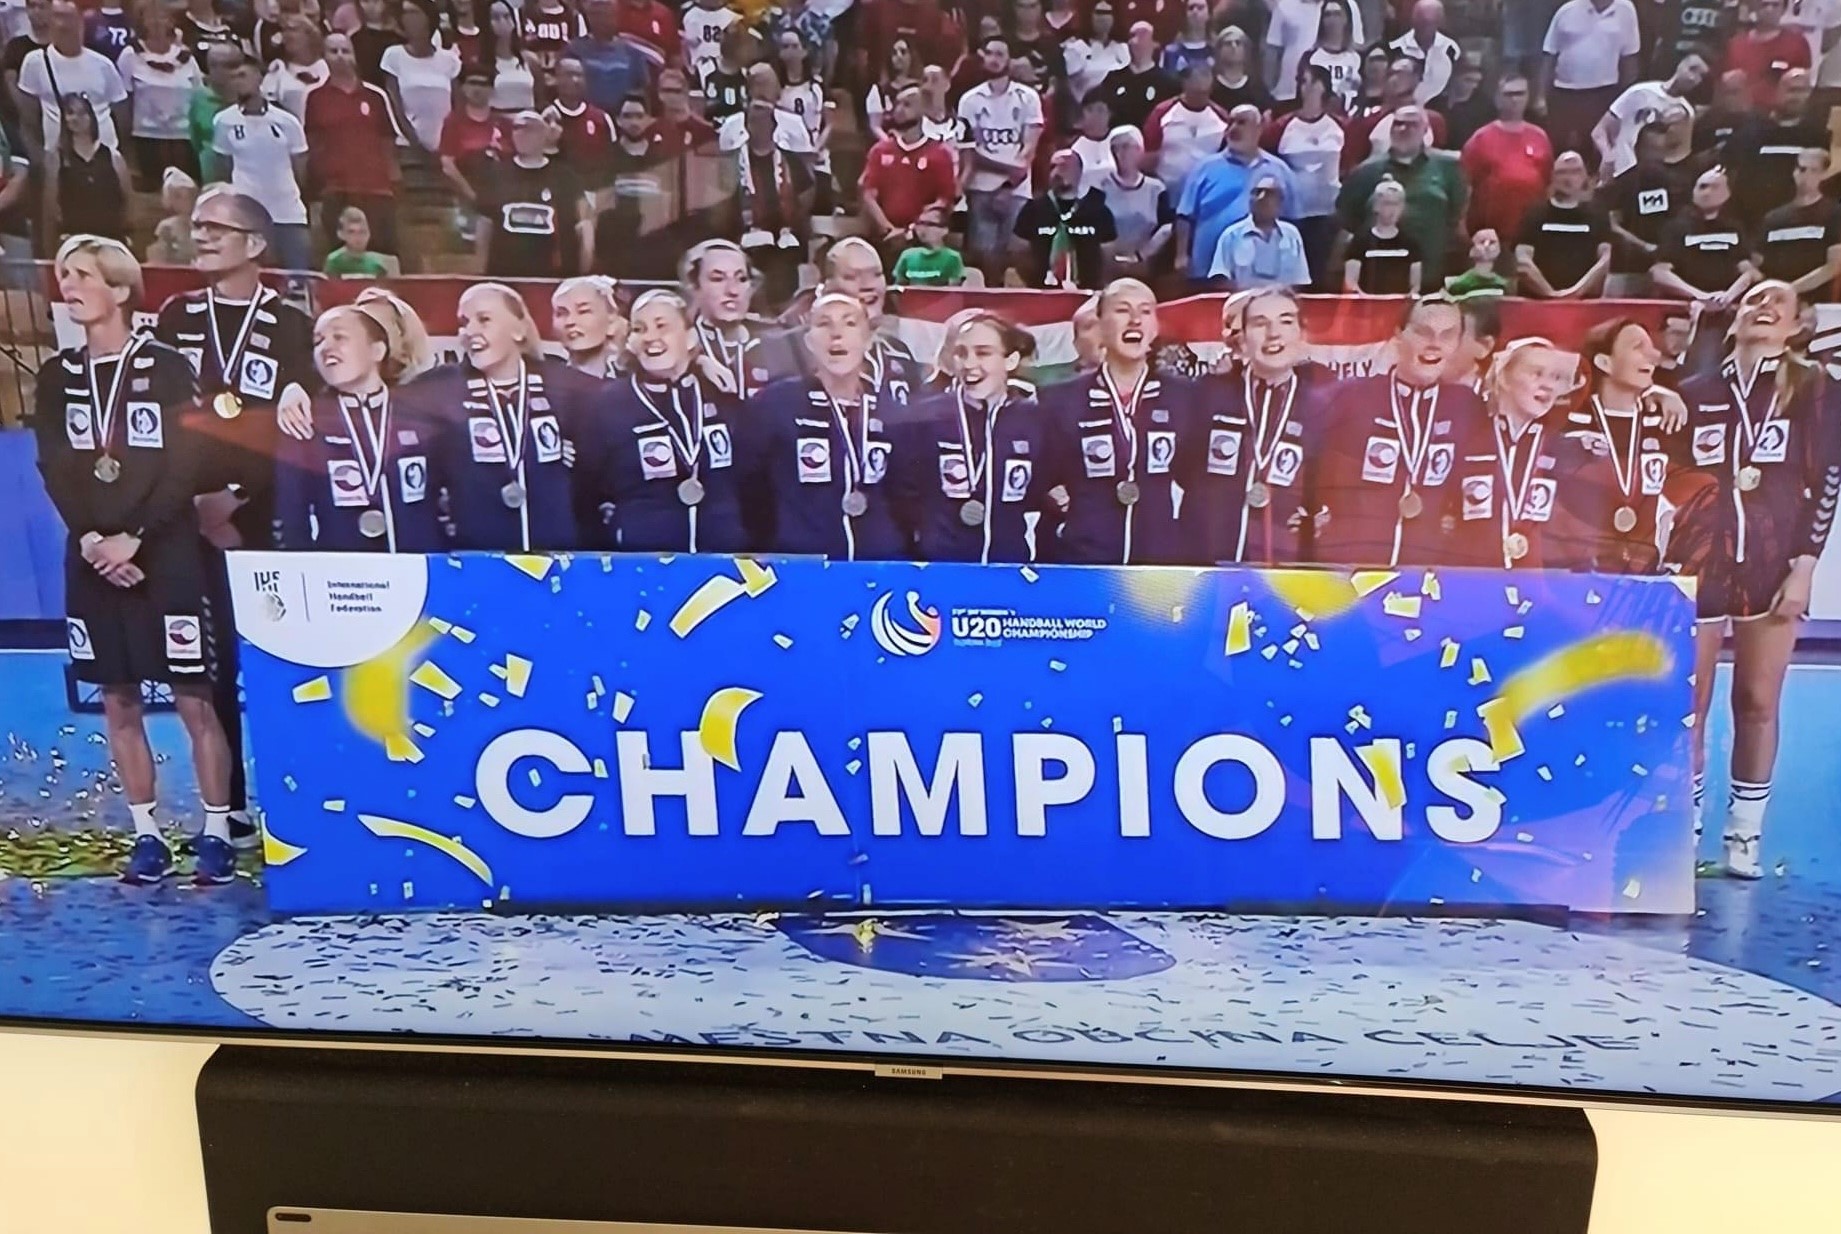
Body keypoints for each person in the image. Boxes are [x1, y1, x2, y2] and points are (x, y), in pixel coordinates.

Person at [34, 234, 234, 886]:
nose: (69, 286)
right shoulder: (57, 376)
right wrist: (94, 538)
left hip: (165, 553)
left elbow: (186, 464)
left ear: (120, 289)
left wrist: (136, 537)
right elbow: (54, 466)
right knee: (117, 699)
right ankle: (147, 834)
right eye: (64, 275)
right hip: (92, 557)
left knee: (193, 696)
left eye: (83, 275)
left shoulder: (167, 366)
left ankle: (215, 831)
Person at [155, 187, 315, 848]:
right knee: (210, 664)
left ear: (255, 244)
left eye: (215, 228)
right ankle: (232, 809)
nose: (200, 236)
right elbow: (160, 422)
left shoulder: (291, 323)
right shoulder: (175, 316)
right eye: (197, 226)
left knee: (278, 662)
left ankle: (300, 802)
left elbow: (300, 428)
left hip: (263, 516)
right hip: (191, 517)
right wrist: (192, 503)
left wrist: (239, 497)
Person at [1670, 280, 1841, 877]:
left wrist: (1805, 566)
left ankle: (1744, 835)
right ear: (1735, 319)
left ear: (1796, 327)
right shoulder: (1694, 391)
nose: (1762, 308)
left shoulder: (1817, 390)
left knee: (1757, 700)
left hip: (1773, 564)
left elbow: (1827, 481)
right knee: (1688, 705)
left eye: (1777, 303)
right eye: (1753, 301)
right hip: (1699, 564)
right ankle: (1683, 834)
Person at [1306, 296, 1494, 568]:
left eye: (1447, 335)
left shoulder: (1466, 407)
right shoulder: (1350, 397)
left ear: (1456, 344)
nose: (1434, 343)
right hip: (1349, 569)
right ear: (1398, 335)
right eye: (1423, 332)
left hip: (1427, 573)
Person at [1039, 277, 1200, 565]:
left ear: (1155, 328)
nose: (1135, 320)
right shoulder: (1058, 400)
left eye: (1145, 311)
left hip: (1161, 568)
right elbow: (1040, 480)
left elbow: (1199, 481)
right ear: (1100, 326)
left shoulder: (1186, 397)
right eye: (1123, 310)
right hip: (1083, 560)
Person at [738, 291, 907, 560]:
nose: (836, 334)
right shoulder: (776, 403)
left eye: (849, 323)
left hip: (878, 564)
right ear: (808, 341)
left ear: (868, 339)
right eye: (824, 324)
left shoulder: (891, 410)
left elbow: (905, 493)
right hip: (802, 562)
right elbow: (749, 486)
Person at [581, 288, 747, 554]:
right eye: (639, 329)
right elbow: (587, 485)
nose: (650, 337)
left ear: (690, 337)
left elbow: (749, 476)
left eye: (662, 326)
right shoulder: (608, 403)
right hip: (642, 560)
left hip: (722, 558)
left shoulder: (721, 392)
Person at [274, 298, 443, 554]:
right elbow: (292, 514)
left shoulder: (421, 414)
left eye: (339, 337)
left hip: (419, 568)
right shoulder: (305, 418)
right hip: (341, 573)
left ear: (377, 351)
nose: (326, 347)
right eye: (318, 341)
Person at [427, 282, 586, 552]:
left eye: (484, 320)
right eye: (464, 323)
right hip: (475, 556)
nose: (470, 331)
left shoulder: (565, 386)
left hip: (561, 557)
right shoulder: (439, 390)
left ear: (519, 330)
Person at [888, 312, 1051, 563]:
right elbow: (903, 494)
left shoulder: (1034, 420)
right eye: (961, 353)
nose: (969, 363)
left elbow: (1041, 493)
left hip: (1009, 568)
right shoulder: (924, 417)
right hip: (939, 568)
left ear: (1010, 360)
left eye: (983, 353)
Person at [1191, 286, 1323, 565]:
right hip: (1211, 567)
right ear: (1242, 339)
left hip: (1291, 569)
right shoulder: (1208, 395)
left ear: (1302, 333)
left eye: (1285, 322)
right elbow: (1182, 468)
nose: (1273, 334)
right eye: (1260, 323)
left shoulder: (1325, 404)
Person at [1557, 317, 1680, 574]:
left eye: (1652, 347)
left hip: (1643, 571)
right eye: (1638, 347)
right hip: (1576, 571)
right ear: (1605, 363)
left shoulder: (1663, 419)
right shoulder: (1568, 420)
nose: (1654, 355)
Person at [1472, 336, 1583, 569]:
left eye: (1556, 377)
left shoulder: (1562, 449)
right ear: (1504, 377)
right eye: (1536, 373)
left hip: (1534, 582)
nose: (1548, 385)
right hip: (1469, 578)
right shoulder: (1468, 437)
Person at [1337, 104, 1465, 289]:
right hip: (1375, 281)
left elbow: (1457, 216)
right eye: (1398, 124)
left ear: (1425, 130)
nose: (1403, 129)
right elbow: (1348, 220)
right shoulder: (1366, 171)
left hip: (1431, 276)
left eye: (1412, 124)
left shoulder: (1448, 167)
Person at [304, 32, 403, 259]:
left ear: (355, 56)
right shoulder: (314, 97)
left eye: (345, 51)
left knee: (383, 258)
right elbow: (311, 145)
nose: (340, 56)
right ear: (323, 57)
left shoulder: (376, 96)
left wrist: (395, 187)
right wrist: (315, 191)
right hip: (335, 191)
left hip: (377, 191)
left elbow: (388, 144)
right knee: (340, 259)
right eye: (333, 51)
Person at [1175, 104, 1295, 285]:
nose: (1233, 128)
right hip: (1208, 270)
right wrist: (1181, 255)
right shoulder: (1205, 168)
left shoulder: (1280, 170)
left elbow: (1292, 219)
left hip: (1263, 272)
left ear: (1259, 129)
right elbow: (1184, 216)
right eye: (1230, 123)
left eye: (1241, 123)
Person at [957, 36, 1043, 287]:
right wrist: (1009, 169)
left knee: (1015, 259)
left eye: (1000, 54)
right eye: (989, 53)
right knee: (984, 260)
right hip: (980, 189)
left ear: (1009, 60)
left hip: (1017, 191)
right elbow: (970, 153)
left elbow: (1030, 148)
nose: (994, 59)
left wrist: (1008, 185)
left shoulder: (1028, 98)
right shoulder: (969, 100)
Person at [212, 57, 312, 270]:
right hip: (247, 217)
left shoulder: (287, 122)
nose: (238, 82)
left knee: (298, 276)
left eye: (243, 76)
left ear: (259, 78)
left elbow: (301, 168)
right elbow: (223, 168)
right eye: (234, 78)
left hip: (288, 213)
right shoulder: (224, 121)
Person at [479, 108, 592, 277]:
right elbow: (484, 227)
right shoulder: (496, 175)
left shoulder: (565, 177)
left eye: (529, 128)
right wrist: (481, 273)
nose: (522, 134)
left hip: (554, 275)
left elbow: (584, 226)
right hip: (505, 273)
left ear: (543, 134)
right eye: (517, 128)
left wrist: (584, 273)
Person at [1263, 63, 1344, 288]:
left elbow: (1350, 164)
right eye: (1301, 82)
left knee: (1320, 275)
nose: (1303, 87)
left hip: (1326, 214)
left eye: (1307, 81)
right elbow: (1266, 163)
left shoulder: (1339, 126)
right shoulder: (1282, 126)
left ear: (1321, 86)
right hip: (1292, 213)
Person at [18, 0, 124, 159]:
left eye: (67, 17)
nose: (62, 24)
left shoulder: (103, 64)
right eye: (56, 17)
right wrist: (39, 158)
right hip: (60, 158)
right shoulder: (35, 62)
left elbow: (121, 116)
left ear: (81, 22)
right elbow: (28, 119)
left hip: (105, 156)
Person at [859, 83, 957, 255]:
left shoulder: (940, 153)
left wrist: (914, 230)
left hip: (923, 241)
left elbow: (944, 200)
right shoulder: (880, 150)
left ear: (923, 109)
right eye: (897, 104)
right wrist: (889, 229)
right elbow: (868, 195)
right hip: (885, 239)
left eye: (907, 104)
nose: (899, 110)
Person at [1603, 110, 1694, 296]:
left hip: (1670, 268)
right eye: (1650, 150)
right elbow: (1611, 223)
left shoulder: (1680, 183)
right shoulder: (1622, 183)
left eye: (1659, 151)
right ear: (1638, 150)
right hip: (1627, 268)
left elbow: (1687, 221)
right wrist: (1643, 245)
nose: (1654, 158)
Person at [1725, 68, 1828, 228]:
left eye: (1802, 91)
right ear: (1777, 91)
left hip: (1802, 221)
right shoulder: (1751, 131)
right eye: (1791, 90)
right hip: (1753, 220)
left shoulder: (1817, 136)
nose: (1795, 97)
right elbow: (1731, 172)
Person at [1458, 73, 1552, 249]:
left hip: (1531, 235)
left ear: (1528, 97)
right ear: (1498, 98)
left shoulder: (1540, 137)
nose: (1515, 99)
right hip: (1490, 235)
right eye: (1509, 94)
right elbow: (1465, 186)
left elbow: (1548, 184)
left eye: (1520, 93)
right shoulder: (1480, 138)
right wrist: (1461, 225)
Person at [1537, 0, 1641, 158]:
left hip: (1604, 93)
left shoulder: (1626, 11)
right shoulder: (1567, 11)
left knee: (1598, 149)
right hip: (1564, 93)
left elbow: (1630, 58)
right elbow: (1549, 55)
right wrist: (1540, 97)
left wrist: (1627, 103)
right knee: (1562, 149)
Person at [1591, 46, 1709, 179]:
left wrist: (1657, 153)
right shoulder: (1639, 92)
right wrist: (1607, 156)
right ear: (1680, 64)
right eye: (1692, 69)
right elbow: (1599, 131)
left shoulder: (1686, 112)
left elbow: (1682, 152)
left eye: (1701, 76)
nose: (1693, 78)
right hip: (1614, 171)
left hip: (1643, 177)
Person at [116, 2, 201, 187]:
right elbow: (124, 101)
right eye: (150, 16)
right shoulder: (130, 55)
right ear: (142, 22)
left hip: (183, 137)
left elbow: (198, 96)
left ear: (171, 21)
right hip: (146, 137)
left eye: (161, 16)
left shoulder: (187, 57)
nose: (156, 22)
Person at [1651, 164, 1756, 307]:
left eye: (1715, 187)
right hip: (1686, 305)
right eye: (1702, 187)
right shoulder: (1675, 228)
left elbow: (1749, 272)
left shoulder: (1735, 228)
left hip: (1728, 304)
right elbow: (1659, 273)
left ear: (1728, 192)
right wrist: (1700, 296)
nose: (1707, 193)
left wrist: (1728, 296)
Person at [1014, 146, 1116, 289]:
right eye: (1053, 167)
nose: (1057, 172)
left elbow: (1109, 255)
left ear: (1079, 172)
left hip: (1088, 290)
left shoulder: (1097, 210)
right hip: (1042, 291)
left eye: (1064, 166)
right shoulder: (1034, 208)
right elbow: (1019, 251)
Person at [1514, 149, 1612, 298]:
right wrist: (1551, 294)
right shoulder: (1534, 213)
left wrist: (1575, 293)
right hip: (1538, 302)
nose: (1568, 178)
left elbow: (1605, 260)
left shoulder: (1598, 215)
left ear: (1585, 176)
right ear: (1553, 176)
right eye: (1562, 172)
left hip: (1584, 303)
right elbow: (1523, 262)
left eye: (1575, 172)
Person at [1754, 145, 1841, 300]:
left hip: (1814, 301)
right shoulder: (1773, 218)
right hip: (1774, 301)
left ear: (1824, 175)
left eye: (1813, 170)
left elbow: (1833, 266)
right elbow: (1758, 261)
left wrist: (1790, 289)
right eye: (1802, 169)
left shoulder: (1834, 213)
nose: (1805, 176)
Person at [45, 92, 128, 242]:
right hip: (73, 238)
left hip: (111, 237)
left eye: (82, 113)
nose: (76, 118)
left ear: (91, 116)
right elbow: (51, 206)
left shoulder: (113, 157)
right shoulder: (57, 159)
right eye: (70, 113)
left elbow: (128, 200)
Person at [1142, 59, 1228, 206]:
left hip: (1205, 194)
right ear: (1185, 83)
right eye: (1196, 91)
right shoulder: (1162, 113)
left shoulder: (1222, 117)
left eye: (1204, 92)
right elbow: (1148, 154)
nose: (1201, 92)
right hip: (1165, 192)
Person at [379, 0, 458, 154]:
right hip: (409, 146)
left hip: (446, 146)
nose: (407, 18)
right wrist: (413, 139)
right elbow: (393, 105)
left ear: (428, 18)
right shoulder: (393, 56)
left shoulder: (449, 60)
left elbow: (457, 105)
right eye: (404, 13)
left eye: (413, 13)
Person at [1209, 175, 1309, 288]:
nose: (1261, 197)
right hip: (1243, 298)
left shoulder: (1291, 235)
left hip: (1283, 298)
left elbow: (1301, 281)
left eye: (1269, 193)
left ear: (1280, 202)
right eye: (1256, 192)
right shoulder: (1231, 235)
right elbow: (1221, 281)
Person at [1100, 124, 1172, 279]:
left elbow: (1166, 226)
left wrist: (1142, 255)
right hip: (1107, 266)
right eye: (1114, 148)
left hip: (1143, 265)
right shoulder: (1101, 186)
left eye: (1125, 147)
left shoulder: (1155, 188)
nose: (1119, 153)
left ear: (1139, 150)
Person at [1267, 0, 1364, 106]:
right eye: (1328, 15)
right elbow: (1272, 52)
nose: (1332, 20)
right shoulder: (1311, 58)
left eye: (1337, 14)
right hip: (1294, 96)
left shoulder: (1357, 58)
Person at [566, 0, 654, 115]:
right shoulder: (574, 50)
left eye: (606, 15)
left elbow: (644, 92)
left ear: (615, 17)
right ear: (589, 18)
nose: (601, 20)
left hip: (622, 117)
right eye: (596, 15)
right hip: (586, 116)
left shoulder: (632, 53)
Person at [1342, 177, 1422, 293]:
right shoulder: (1360, 241)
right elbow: (1350, 283)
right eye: (1387, 203)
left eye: (1397, 204)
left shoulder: (1410, 243)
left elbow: (1415, 285)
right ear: (1376, 206)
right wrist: (1366, 299)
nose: (1392, 209)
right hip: (1367, 302)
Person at [1723, 0, 1810, 107]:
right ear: (1754, 7)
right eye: (1764, 5)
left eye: (1775, 5)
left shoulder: (1797, 44)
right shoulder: (1735, 45)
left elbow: (1802, 86)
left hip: (1779, 111)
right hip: (1742, 112)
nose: (1769, 10)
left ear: (1783, 9)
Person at [1098, 20, 1176, 130]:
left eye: (1142, 35)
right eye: (1132, 36)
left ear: (1155, 43)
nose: (1134, 41)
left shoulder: (1168, 83)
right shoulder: (1113, 79)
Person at [550, 274, 627, 379]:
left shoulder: (628, 379)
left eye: (583, 311)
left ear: (612, 319)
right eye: (561, 313)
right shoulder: (548, 376)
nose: (570, 321)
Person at [1388, 0, 1461, 105]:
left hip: (1440, 106)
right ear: (1413, 20)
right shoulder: (1395, 47)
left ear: (1440, 22)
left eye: (1431, 23)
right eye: (1422, 22)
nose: (1426, 28)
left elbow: (1455, 82)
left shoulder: (1451, 48)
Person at [1063, 0, 1128, 106]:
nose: (1103, 19)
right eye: (1099, 13)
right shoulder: (1075, 48)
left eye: (1107, 13)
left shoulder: (1122, 49)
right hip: (1078, 105)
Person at [891, 202, 964, 285]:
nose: (922, 229)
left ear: (944, 230)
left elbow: (953, 290)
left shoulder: (952, 258)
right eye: (920, 223)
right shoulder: (907, 256)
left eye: (929, 224)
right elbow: (899, 288)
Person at [1208, 25, 1272, 114]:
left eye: (1238, 43)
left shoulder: (1256, 86)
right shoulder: (1210, 86)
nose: (1233, 47)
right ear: (1219, 50)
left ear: (1246, 50)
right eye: (1228, 43)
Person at [681, 0, 739, 92]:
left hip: (726, 69)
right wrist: (689, 69)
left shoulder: (733, 16)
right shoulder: (688, 14)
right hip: (698, 69)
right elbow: (684, 45)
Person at [145, 166, 197, 265]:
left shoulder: (201, 223)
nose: (186, 200)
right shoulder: (166, 227)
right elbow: (158, 259)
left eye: (189, 195)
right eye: (178, 196)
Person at [323, 205, 388, 278]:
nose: (358, 237)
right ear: (341, 234)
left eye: (362, 231)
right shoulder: (334, 262)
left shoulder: (378, 264)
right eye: (351, 232)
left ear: (369, 233)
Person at [1444, 229, 1510, 297]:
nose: (1487, 246)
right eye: (1482, 242)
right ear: (1472, 250)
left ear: (1499, 249)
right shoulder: (1460, 285)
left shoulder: (1502, 284)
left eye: (1492, 242)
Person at [1160, 0, 1213, 79]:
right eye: (1191, 8)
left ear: (1209, 14)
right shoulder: (1171, 52)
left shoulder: (1218, 49)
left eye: (1200, 7)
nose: (1195, 11)